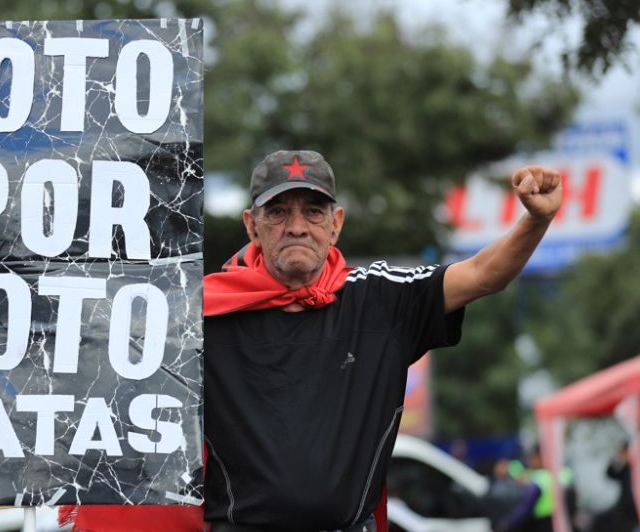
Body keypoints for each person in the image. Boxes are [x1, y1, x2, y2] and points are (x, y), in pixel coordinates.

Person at [60, 149, 563, 532]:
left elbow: (482, 275)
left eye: (313, 211)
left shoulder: (380, 300)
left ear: (336, 224)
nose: (297, 226)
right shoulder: (198, 313)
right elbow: (99, 354)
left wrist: (535, 220)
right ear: (252, 226)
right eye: (277, 213)